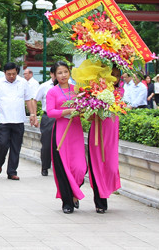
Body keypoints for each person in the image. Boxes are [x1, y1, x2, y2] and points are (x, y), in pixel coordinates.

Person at [46, 61, 87, 214]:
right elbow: (50, 112)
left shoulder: (77, 90)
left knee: (80, 168)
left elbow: (85, 107)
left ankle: (74, 193)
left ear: (69, 73)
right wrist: (67, 111)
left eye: (65, 72)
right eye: (59, 73)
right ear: (54, 75)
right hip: (62, 131)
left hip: (75, 130)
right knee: (63, 168)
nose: (63, 75)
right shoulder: (53, 92)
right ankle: (67, 202)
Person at [0, 63, 37, 180]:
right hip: (3, 120)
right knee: (2, 144)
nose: (11, 76)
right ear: (4, 73)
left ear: (17, 72)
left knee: (16, 146)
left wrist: (32, 114)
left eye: (14, 74)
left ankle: (12, 171)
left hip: (19, 119)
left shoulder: (23, 82)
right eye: (9, 74)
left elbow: (28, 99)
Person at [87, 66, 122, 214]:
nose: (114, 79)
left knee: (112, 167)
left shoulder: (119, 93)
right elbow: (88, 116)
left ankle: (106, 191)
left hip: (112, 135)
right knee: (97, 166)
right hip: (97, 132)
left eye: (117, 76)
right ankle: (100, 201)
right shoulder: (95, 92)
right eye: (111, 75)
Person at [33, 66, 55, 176]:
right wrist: (34, 115)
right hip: (48, 117)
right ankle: (45, 166)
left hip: (64, 117)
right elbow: (34, 100)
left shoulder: (69, 86)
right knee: (46, 143)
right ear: (51, 74)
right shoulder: (45, 86)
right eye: (58, 73)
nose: (62, 75)